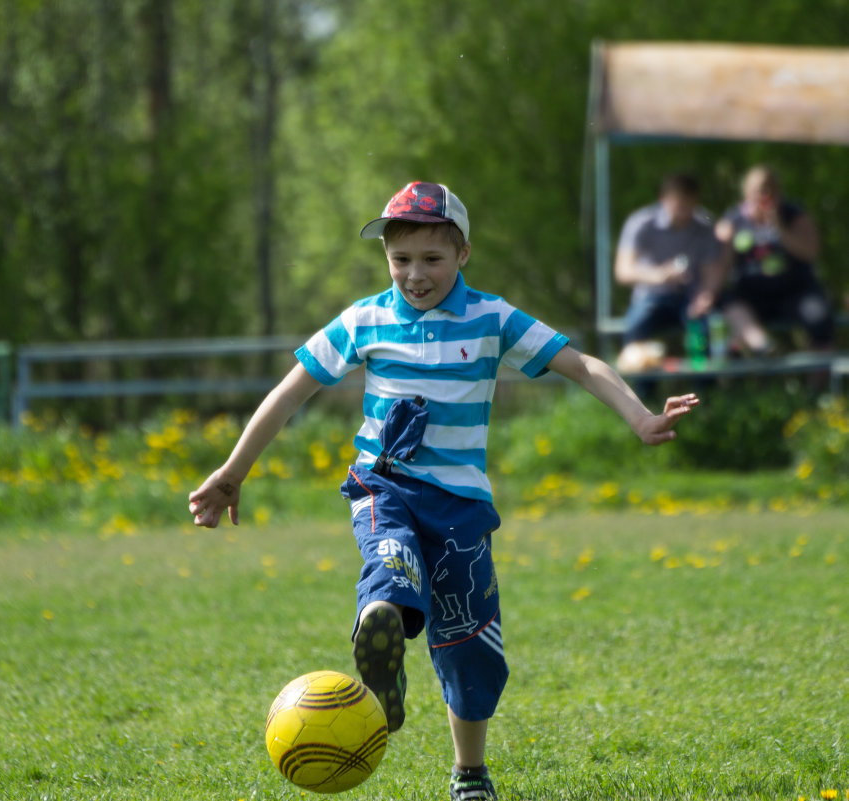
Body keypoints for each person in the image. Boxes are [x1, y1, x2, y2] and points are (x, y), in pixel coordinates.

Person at [188, 181, 699, 800]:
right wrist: (234, 470)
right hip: (385, 483)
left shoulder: (492, 318)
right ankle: (383, 638)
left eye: (431, 259)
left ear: (463, 255)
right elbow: (291, 390)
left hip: (461, 508)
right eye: (400, 259)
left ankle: (469, 772)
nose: (414, 274)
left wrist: (640, 416)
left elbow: (581, 364)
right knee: (388, 564)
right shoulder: (365, 319)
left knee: (468, 645)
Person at [715, 165, 834, 355]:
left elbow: (810, 253)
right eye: (757, 191)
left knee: (818, 313)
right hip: (752, 292)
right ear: (746, 193)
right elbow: (722, 264)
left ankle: (818, 382)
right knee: (728, 304)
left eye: (768, 189)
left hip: (796, 290)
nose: (763, 196)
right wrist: (724, 240)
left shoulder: (794, 215)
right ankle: (765, 347)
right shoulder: (734, 220)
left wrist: (779, 229)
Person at [614, 173, 725, 370]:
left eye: (689, 202)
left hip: (690, 298)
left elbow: (712, 273)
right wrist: (658, 275)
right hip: (650, 296)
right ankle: (641, 394)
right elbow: (623, 271)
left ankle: (704, 390)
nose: (683, 209)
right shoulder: (641, 223)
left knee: (706, 326)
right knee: (636, 325)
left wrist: (705, 297)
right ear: (663, 198)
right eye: (678, 201)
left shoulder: (705, 227)